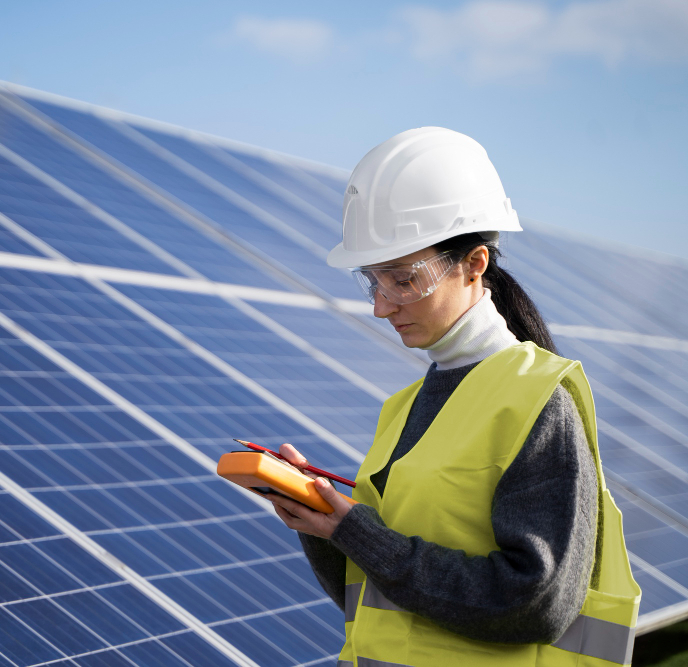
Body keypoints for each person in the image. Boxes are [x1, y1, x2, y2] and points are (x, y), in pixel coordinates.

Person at [266, 127, 640, 666]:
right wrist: (323, 524)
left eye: (403, 279)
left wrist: (356, 532)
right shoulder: (402, 408)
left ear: (474, 264)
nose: (382, 306)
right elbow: (380, 597)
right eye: (373, 282)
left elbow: (536, 603)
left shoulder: (535, 399)